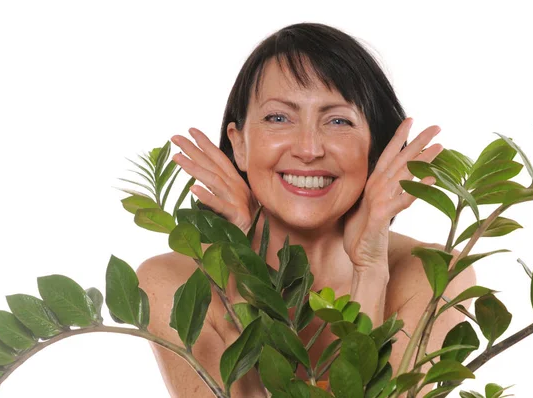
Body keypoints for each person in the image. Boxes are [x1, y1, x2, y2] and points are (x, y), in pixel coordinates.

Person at [136, 22, 476, 397]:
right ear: (239, 146)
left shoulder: (434, 274)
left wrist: (370, 268)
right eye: (279, 118)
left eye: (338, 121)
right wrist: (242, 270)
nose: (309, 149)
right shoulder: (170, 281)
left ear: (377, 152)